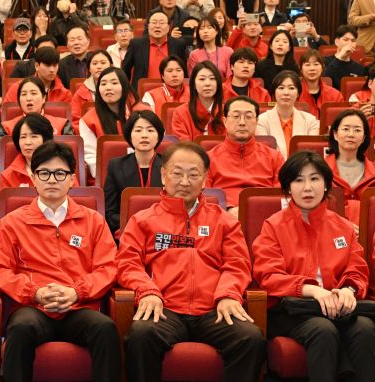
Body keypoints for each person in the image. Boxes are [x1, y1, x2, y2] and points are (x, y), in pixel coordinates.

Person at [118, 141, 265, 382]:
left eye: (193, 174)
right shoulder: (143, 220)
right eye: (177, 173)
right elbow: (127, 263)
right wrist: (147, 292)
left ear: (205, 179)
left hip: (213, 309)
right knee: (140, 335)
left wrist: (228, 294)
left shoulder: (224, 221)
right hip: (164, 308)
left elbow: (238, 264)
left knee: (251, 338)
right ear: (163, 175)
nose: (185, 182)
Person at [0, 141, 121, 382]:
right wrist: (34, 292)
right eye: (44, 173)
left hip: (78, 307)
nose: (52, 180)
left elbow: (108, 267)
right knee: (20, 328)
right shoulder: (12, 222)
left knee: (105, 328)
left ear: (72, 179)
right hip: (32, 308)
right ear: (33, 177)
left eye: (60, 173)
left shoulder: (92, 220)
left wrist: (76, 292)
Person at [253, 150, 375, 382]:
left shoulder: (343, 227)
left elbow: (357, 269)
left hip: (338, 308)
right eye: (298, 180)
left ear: (327, 185)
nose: (307, 187)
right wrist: (312, 290)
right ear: (288, 188)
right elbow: (268, 275)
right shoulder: (274, 226)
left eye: (314, 179)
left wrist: (349, 291)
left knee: (365, 328)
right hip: (292, 311)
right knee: (323, 329)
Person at [206, 96, 284, 218]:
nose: (242, 122)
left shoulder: (274, 157)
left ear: (257, 121)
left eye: (248, 117)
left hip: (265, 218)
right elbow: (205, 196)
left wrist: (254, 211)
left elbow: (282, 196)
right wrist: (226, 210)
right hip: (221, 217)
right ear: (225, 121)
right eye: (236, 116)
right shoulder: (209, 158)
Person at [104, 110, 164, 235]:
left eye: (150, 130)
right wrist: (134, 225)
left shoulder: (169, 166)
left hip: (162, 230)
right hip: (128, 231)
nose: (144, 135)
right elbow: (109, 212)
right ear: (129, 135)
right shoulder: (116, 166)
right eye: (138, 130)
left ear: (159, 135)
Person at [79, 67, 139, 179]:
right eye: (103, 84)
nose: (108, 88)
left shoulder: (142, 112)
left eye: (114, 83)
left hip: (141, 172)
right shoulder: (88, 120)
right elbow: (92, 158)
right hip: (107, 178)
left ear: (124, 86)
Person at [325, 109, 375, 224]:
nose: (351, 134)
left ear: (363, 138)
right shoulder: (320, 171)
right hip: (330, 231)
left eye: (357, 130)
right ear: (335, 134)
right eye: (346, 129)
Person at [257, 71, 319, 158]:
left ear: (298, 93)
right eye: (281, 88)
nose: (286, 93)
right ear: (274, 92)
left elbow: (312, 154)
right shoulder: (261, 121)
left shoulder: (310, 121)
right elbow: (263, 154)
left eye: (291, 88)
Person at [122, 10, 187, 87]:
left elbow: (184, 72)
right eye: (154, 22)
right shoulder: (136, 44)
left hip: (170, 91)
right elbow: (125, 70)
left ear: (168, 27)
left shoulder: (178, 44)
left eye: (162, 23)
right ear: (148, 26)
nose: (157, 26)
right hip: (142, 92)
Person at [0, 113, 54, 192]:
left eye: (34, 136)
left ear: (45, 139)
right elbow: (5, 204)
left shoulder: (62, 168)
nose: (27, 142)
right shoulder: (9, 176)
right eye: (23, 137)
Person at [0, 77, 71, 137]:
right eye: (24, 94)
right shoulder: (6, 128)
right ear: (19, 100)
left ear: (43, 98)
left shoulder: (62, 125)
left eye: (33, 93)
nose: (28, 98)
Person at [171, 60, 224, 141]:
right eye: (202, 79)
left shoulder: (228, 112)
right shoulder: (180, 113)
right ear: (194, 85)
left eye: (212, 78)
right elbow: (184, 147)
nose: (207, 83)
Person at [3, 47, 72, 104]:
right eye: (47, 65)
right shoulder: (18, 88)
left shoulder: (65, 94)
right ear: (37, 66)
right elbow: (7, 115)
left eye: (55, 65)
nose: (52, 70)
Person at [71, 49, 113, 131]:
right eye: (94, 63)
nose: (99, 66)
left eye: (103, 63)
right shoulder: (80, 93)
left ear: (111, 66)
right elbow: (75, 121)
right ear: (89, 69)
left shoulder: (121, 88)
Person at [298, 49, 344, 120]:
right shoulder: (294, 94)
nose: (312, 68)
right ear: (301, 69)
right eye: (307, 65)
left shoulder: (335, 95)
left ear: (322, 68)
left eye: (316, 64)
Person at [142, 55, 190, 119]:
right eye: (170, 71)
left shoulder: (194, 93)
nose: (174, 74)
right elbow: (148, 122)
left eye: (178, 70)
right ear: (162, 76)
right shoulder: (150, 96)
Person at [188, 14, 233, 79]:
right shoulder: (194, 54)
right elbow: (193, 79)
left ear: (217, 31)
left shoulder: (228, 51)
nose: (205, 31)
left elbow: (231, 77)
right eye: (201, 28)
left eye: (209, 27)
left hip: (225, 87)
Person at [255, 30, 299, 95]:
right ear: (271, 46)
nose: (280, 44)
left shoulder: (294, 68)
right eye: (277, 41)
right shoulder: (261, 66)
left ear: (289, 48)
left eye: (284, 42)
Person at [323, 25, 367, 90]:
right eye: (346, 40)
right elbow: (325, 79)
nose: (350, 43)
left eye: (353, 40)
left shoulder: (359, 68)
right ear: (337, 42)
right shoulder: (325, 61)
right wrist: (340, 56)